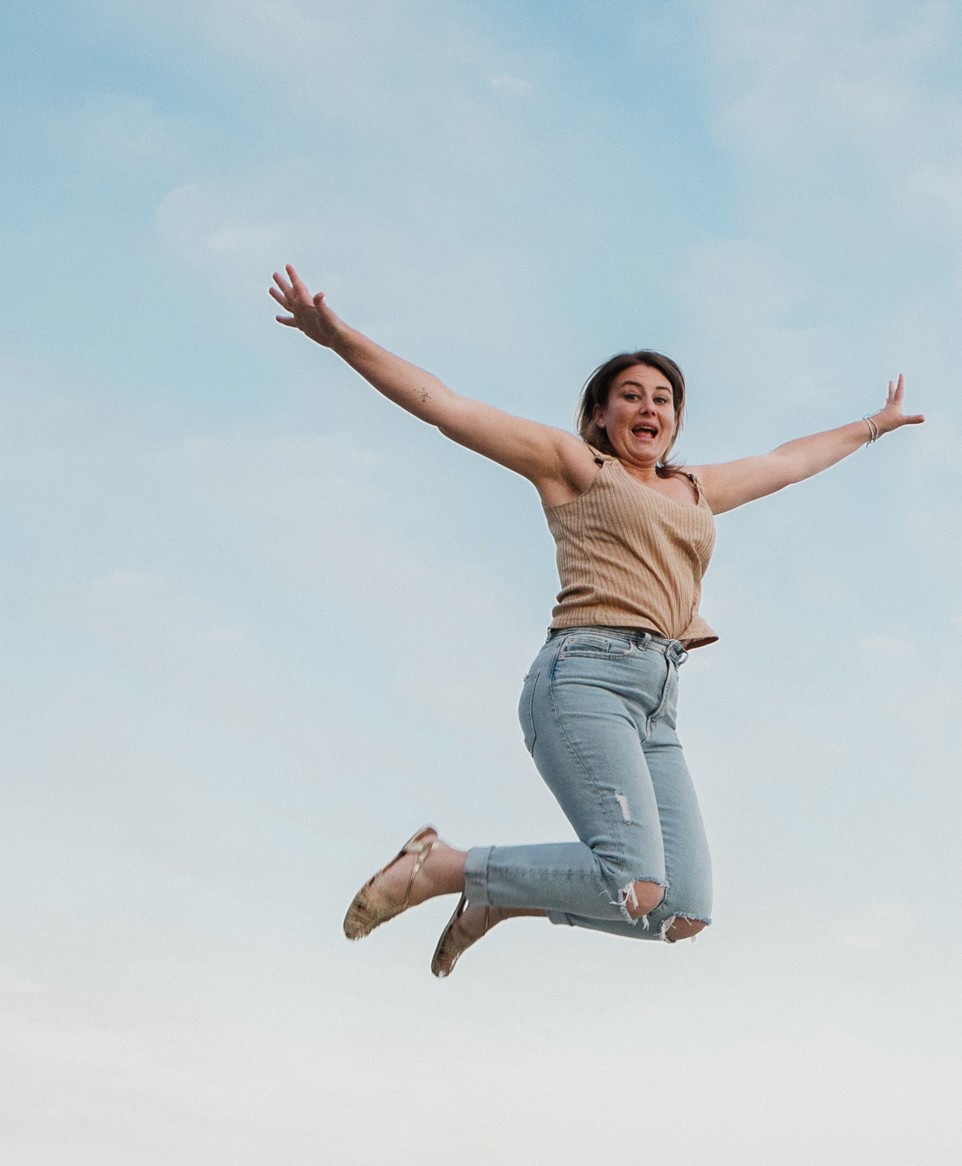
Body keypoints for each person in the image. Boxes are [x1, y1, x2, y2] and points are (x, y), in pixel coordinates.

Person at [268, 264, 923, 977]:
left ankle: (497, 899)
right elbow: (443, 405)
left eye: (664, 398)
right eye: (631, 396)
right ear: (602, 415)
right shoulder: (575, 466)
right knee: (633, 879)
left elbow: (788, 461)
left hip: (659, 702)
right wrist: (337, 338)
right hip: (587, 674)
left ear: (675, 418)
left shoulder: (696, 488)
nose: (650, 408)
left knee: (680, 910)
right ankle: (444, 867)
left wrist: (872, 427)